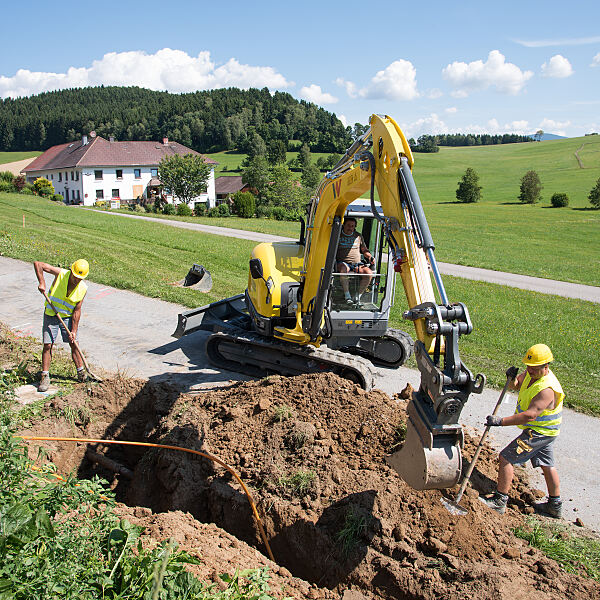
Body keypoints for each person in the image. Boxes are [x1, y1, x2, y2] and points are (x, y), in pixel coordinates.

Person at [481, 343, 564, 517]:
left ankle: (499, 501)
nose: (530, 370)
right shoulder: (530, 372)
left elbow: (530, 415)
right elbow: (516, 385)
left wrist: (500, 421)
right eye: (528, 366)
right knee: (547, 465)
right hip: (545, 432)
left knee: (506, 458)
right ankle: (554, 505)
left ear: (545, 366)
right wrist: (511, 378)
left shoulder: (547, 389)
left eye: (534, 368)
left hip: (539, 433)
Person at [34, 259, 89, 391]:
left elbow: (77, 310)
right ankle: (45, 375)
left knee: (73, 343)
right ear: (71, 271)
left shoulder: (83, 288)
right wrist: (42, 282)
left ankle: (81, 372)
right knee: (48, 345)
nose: (77, 280)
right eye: (75, 277)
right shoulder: (61, 274)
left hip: (67, 317)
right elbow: (38, 264)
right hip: (51, 313)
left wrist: (74, 330)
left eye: (80, 278)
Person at [335, 217, 374, 305]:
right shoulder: (337, 235)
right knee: (344, 270)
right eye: (348, 225)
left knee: (369, 273)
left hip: (357, 264)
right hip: (343, 263)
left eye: (352, 226)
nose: (350, 228)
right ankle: (347, 296)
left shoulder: (358, 236)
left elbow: (364, 250)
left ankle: (357, 297)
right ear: (343, 225)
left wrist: (370, 257)